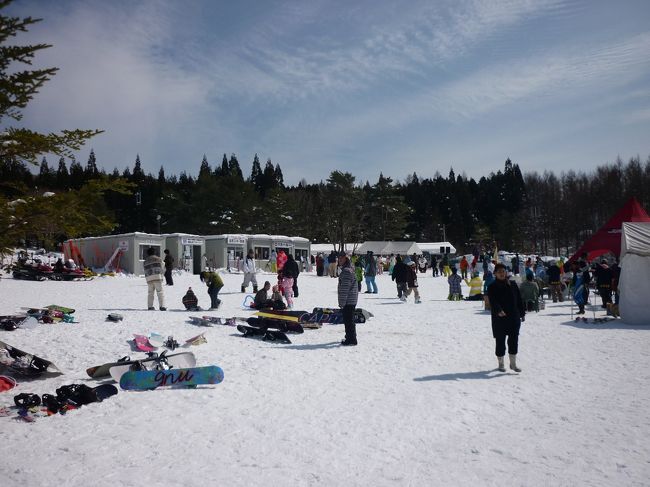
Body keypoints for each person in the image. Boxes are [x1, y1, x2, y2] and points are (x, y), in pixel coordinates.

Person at [487, 263, 525, 372]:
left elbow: (518, 300)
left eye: (503, 271)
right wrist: (499, 310)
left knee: (514, 340)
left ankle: (513, 364)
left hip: (513, 317)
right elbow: (493, 302)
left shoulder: (512, 284)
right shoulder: (492, 286)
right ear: (495, 273)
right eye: (499, 272)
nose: (502, 274)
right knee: (500, 341)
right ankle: (501, 364)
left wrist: (522, 313)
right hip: (500, 319)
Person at [337, 252, 359, 346]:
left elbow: (345, 289)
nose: (339, 260)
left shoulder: (346, 271)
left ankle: (351, 339)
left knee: (348, 320)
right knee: (349, 320)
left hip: (348, 300)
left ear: (346, 259)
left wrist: (342, 303)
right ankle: (350, 336)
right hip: (351, 299)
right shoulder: (349, 269)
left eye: (341, 258)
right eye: (339, 258)